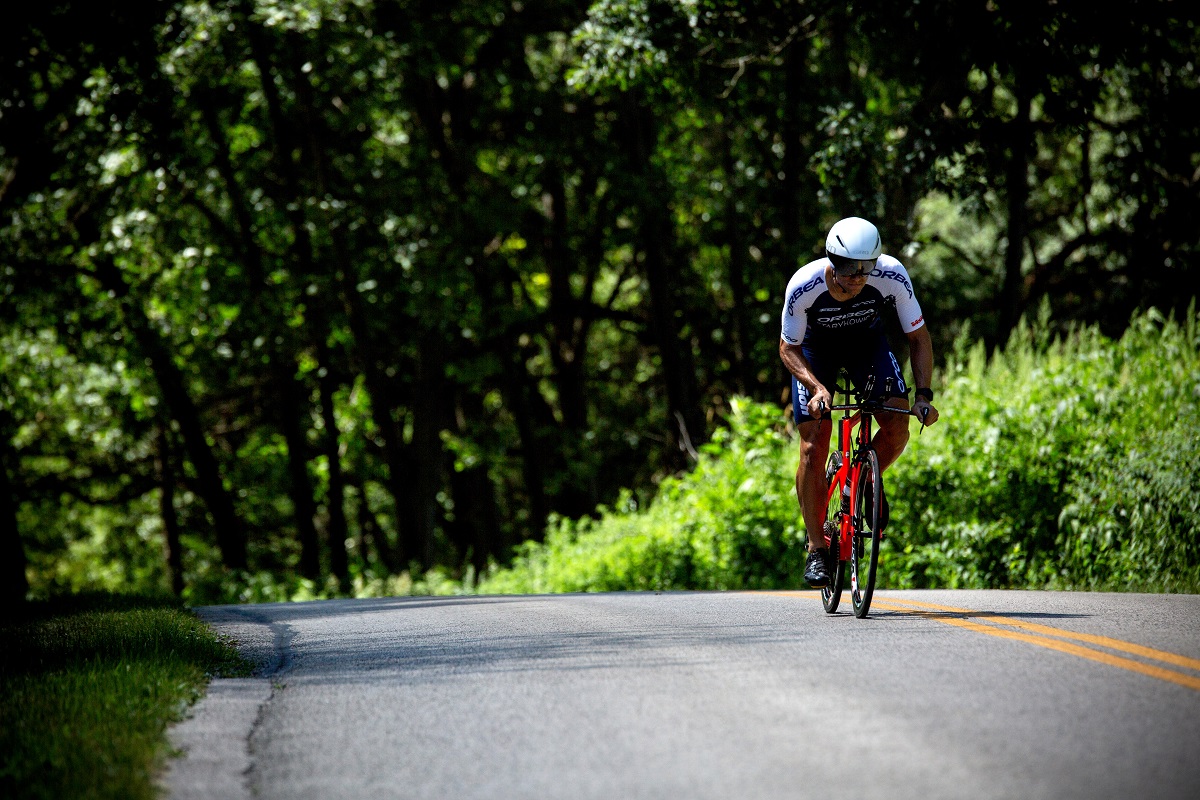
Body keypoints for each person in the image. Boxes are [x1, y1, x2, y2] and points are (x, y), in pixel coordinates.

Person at [778, 216, 940, 587]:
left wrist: (924, 396)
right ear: (832, 260)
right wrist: (818, 388)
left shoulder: (892, 275)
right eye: (849, 268)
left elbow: (919, 338)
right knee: (812, 445)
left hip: (866, 345)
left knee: (898, 425)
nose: (857, 276)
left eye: (866, 268)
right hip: (815, 353)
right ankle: (818, 549)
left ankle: (866, 481)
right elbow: (788, 348)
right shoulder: (804, 285)